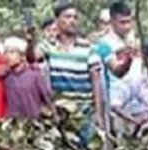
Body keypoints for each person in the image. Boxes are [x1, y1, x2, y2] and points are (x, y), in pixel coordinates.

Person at [37, 3, 105, 139]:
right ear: (57, 21)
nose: (72, 21)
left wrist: (98, 114)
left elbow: (96, 81)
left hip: (84, 111)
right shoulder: (48, 46)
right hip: (59, 111)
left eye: (75, 17)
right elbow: (32, 58)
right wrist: (30, 41)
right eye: (67, 17)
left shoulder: (88, 48)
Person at [110, 42, 148, 137]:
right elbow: (115, 104)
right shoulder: (138, 83)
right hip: (142, 137)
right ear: (147, 62)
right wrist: (134, 120)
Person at [95, 2, 138, 137]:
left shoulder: (134, 41)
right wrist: (128, 58)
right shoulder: (104, 44)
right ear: (112, 21)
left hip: (136, 105)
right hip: (115, 106)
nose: (127, 26)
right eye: (122, 22)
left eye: (129, 22)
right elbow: (117, 71)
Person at [2, 37, 51, 120]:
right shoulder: (6, 77)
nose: (7, 56)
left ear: (22, 56)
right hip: (14, 124)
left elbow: (47, 97)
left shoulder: (35, 75)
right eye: (6, 53)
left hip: (34, 122)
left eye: (12, 52)